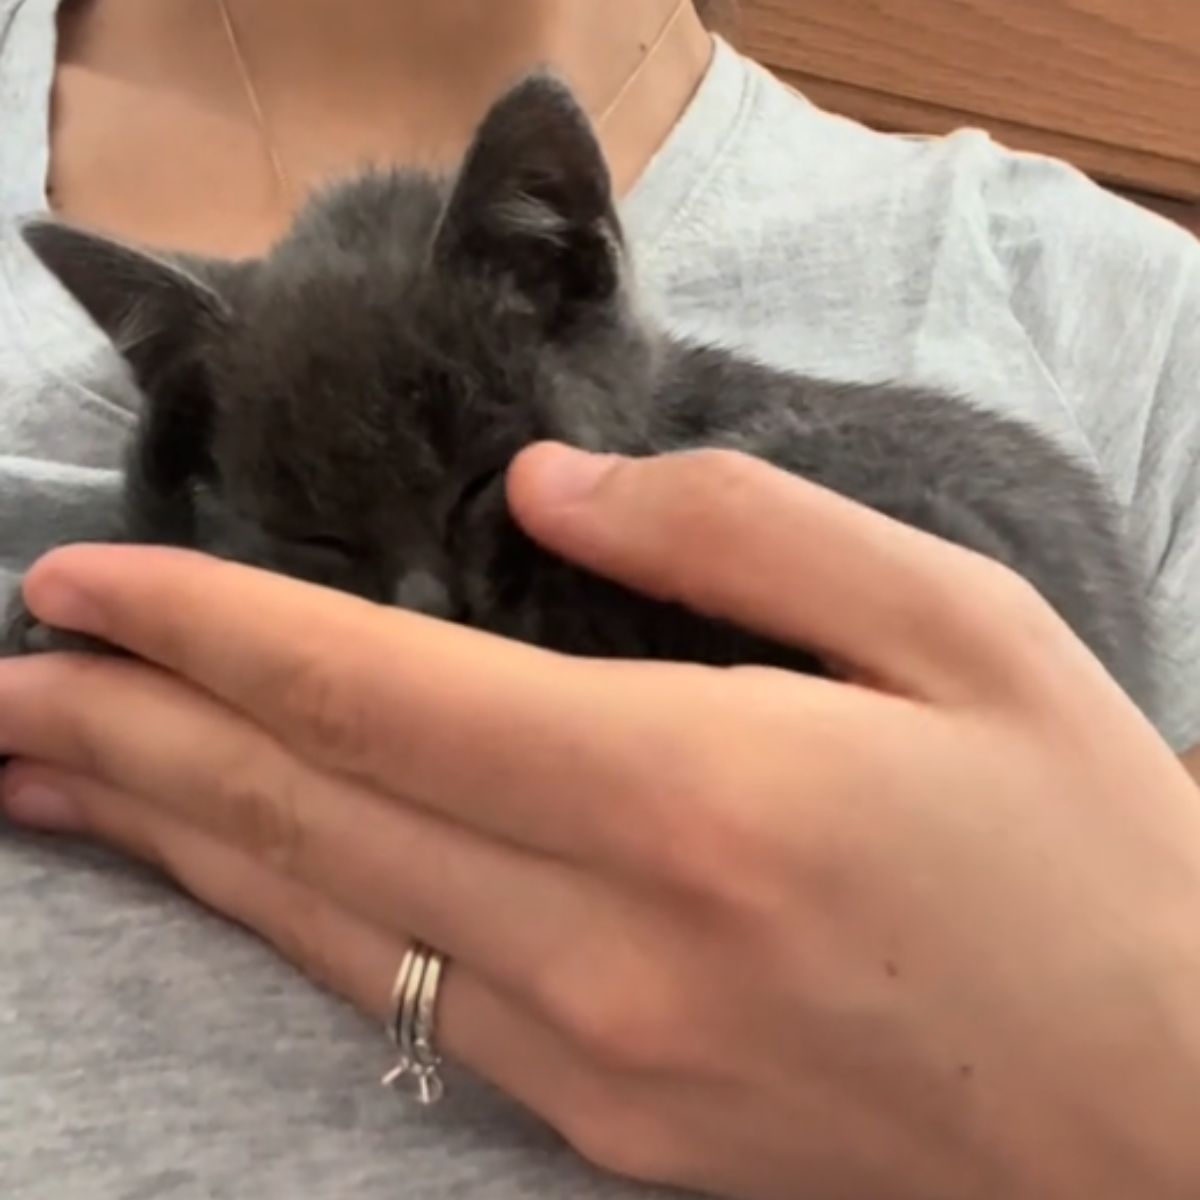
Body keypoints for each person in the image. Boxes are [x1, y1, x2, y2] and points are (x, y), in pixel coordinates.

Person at [0, 1, 1198, 1197]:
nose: (426, 602)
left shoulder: (1121, 332)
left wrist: (1147, 1089)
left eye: (478, 500)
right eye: (322, 544)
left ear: (575, 264)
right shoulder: (215, 419)